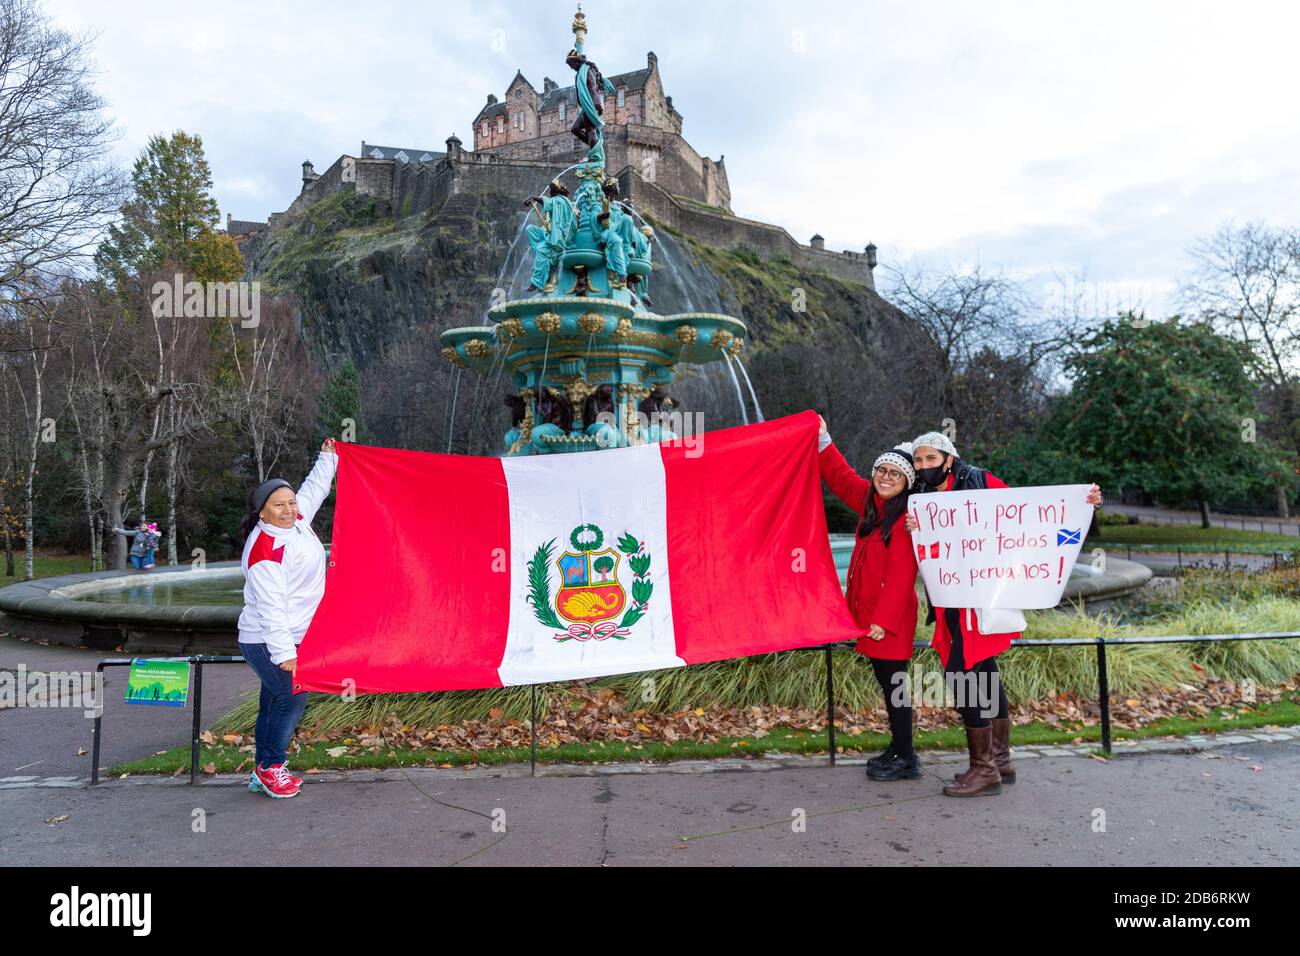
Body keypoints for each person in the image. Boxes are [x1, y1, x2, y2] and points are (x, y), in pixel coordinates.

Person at [905, 431, 1102, 796]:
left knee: (962, 674)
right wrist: (914, 529)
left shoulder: (979, 480)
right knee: (984, 672)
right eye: (918, 460)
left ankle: (984, 770)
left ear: (949, 459)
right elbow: (928, 548)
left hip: (980, 602)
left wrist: (1084, 503)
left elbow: (1031, 515)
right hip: (952, 600)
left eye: (930, 459)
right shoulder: (924, 499)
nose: (923, 466)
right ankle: (1000, 759)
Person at [817, 416, 922, 781]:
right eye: (883, 470)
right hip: (872, 617)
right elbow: (840, 475)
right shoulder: (871, 502)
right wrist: (823, 439)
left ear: (907, 481)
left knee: (895, 685)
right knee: (888, 681)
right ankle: (899, 748)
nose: (887, 477)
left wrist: (883, 621)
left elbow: (902, 576)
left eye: (896, 474)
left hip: (888, 621)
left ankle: (907, 758)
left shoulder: (906, 519)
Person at [236, 438, 340, 799]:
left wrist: (327, 456)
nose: (289, 509)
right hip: (267, 639)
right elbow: (271, 610)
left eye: (290, 502)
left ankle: (262, 769)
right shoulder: (266, 551)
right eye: (278, 505)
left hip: (295, 635)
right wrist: (284, 654)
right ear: (262, 513)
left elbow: (314, 490)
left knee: (273, 700)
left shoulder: (296, 522)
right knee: (292, 698)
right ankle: (272, 767)